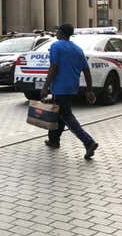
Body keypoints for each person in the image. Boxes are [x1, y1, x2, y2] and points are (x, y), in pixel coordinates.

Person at [40, 23, 99, 160]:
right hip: (72, 87)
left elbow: (53, 67)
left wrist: (45, 87)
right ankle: (54, 140)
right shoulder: (78, 49)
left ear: (61, 33)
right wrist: (89, 90)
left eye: (57, 31)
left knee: (66, 116)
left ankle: (88, 142)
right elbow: (86, 70)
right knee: (59, 114)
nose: (56, 33)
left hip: (60, 88)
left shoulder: (56, 46)